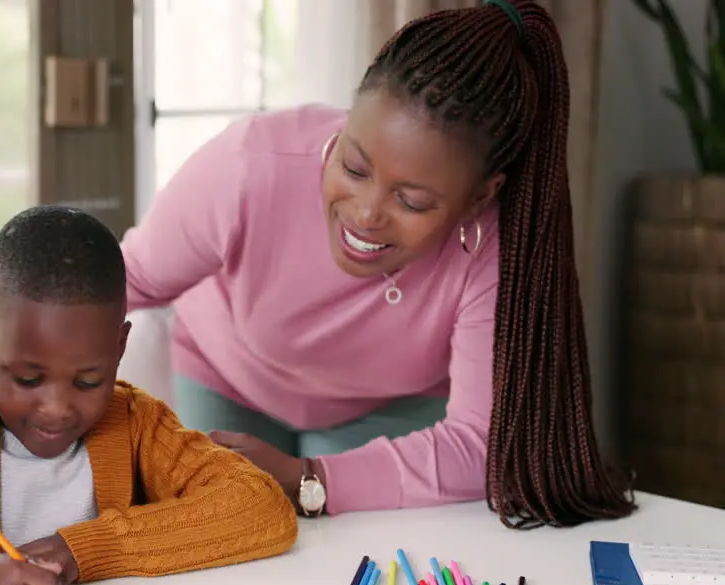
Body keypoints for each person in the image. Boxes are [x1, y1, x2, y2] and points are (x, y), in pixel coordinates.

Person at [121, 0, 635, 529]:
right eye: (353, 165)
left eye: (412, 201)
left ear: (481, 196)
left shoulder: (493, 248)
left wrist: (310, 477)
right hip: (228, 376)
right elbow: (127, 281)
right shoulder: (249, 167)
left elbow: (478, 444)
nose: (366, 214)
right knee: (222, 536)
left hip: (386, 409)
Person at [0, 205, 297, 585]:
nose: (56, 408)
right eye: (27, 379)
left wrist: (82, 548)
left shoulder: (135, 422)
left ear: (119, 347)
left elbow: (260, 506)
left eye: (88, 381)